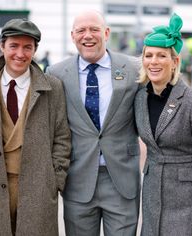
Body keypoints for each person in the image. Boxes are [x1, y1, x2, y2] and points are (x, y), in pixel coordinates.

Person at [0, 18, 71, 236]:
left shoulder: (52, 87)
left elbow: (62, 137)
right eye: (13, 46)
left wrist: (54, 180)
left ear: (35, 50)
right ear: (2, 46)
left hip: (39, 187)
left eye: (28, 47)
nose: (20, 53)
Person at [46, 10, 141, 236]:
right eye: (81, 30)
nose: (87, 35)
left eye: (94, 29)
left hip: (121, 180)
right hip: (78, 180)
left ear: (106, 33)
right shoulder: (57, 73)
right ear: (73, 36)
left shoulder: (133, 69)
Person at [134, 13, 192, 235]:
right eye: (149, 55)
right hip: (152, 196)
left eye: (162, 56)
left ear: (175, 61)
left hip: (186, 201)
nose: (154, 61)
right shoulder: (139, 98)